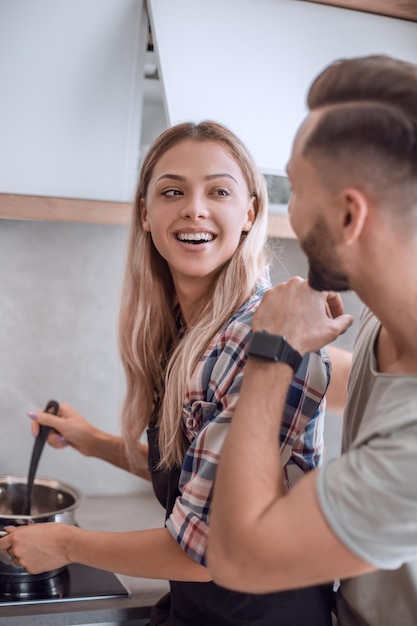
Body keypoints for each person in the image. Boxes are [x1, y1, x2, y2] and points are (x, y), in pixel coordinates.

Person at [0, 121, 333, 625]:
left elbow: (206, 550)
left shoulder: (263, 338)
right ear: (146, 214)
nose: (194, 208)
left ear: (250, 213)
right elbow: (203, 478)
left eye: (218, 191)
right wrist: (96, 442)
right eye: (172, 190)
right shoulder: (187, 332)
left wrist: (65, 543)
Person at [207, 54, 417, 626]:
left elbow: (235, 557)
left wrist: (271, 352)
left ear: (350, 216)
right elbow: (371, 388)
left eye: (295, 187)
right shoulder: (390, 321)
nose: (288, 210)